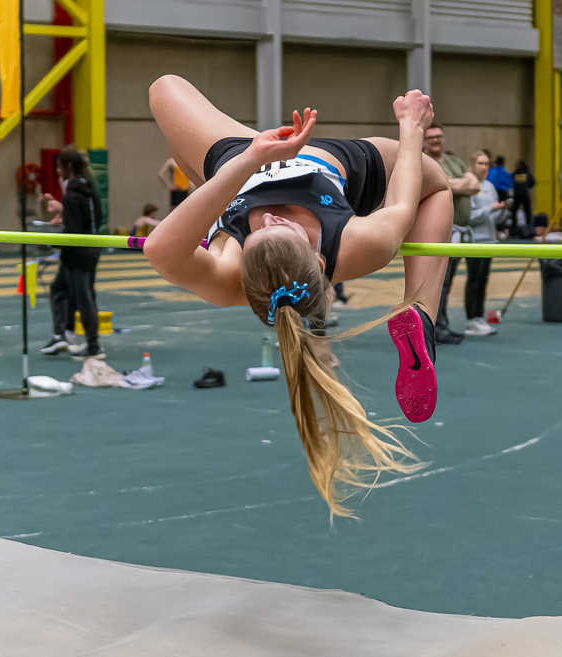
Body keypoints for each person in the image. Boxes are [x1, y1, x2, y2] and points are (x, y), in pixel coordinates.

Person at [142, 75, 452, 518]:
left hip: (251, 162)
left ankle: (418, 307)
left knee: (164, 91)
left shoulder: (231, 275)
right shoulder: (354, 242)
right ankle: (420, 306)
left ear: (242, 266)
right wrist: (411, 126)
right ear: (321, 262)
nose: (270, 217)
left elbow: (156, 247)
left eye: (262, 229)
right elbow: (408, 195)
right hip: (315, 165)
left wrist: (252, 158)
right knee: (437, 184)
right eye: (283, 228)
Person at [41, 148, 105, 360]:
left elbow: (73, 231)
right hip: (92, 249)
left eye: (59, 166)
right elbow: (94, 219)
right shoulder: (90, 190)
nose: (57, 171)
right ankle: (61, 335)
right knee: (59, 290)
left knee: (83, 298)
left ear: (68, 166)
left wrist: (53, 241)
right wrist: (65, 216)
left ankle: (93, 345)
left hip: (77, 255)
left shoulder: (72, 194)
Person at [426, 121, 480, 345]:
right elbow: (453, 185)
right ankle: (435, 329)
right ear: (423, 140)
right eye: (431, 137)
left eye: (438, 136)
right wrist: (459, 184)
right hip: (437, 235)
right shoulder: (423, 162)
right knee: (437, 285)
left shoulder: (453, 161)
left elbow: (475, 183)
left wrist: (452, 183)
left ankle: (442, 326)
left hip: (457, 236)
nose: (436, 140)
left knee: (446, 285)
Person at [462, 150, 509, 336]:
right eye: (480, 163)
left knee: (483, 279)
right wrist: (490, 209)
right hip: (474, 240)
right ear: (473, 165)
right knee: (474, 279)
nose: (484, 167)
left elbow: (494, 218)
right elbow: (469, 217)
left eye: (487, 164)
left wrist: (502, 212)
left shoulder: (490, 187)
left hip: (490, 240)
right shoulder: (469, 186)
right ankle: (471, 320)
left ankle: (479, 316)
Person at [510, 159, 535, 235]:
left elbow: (532, 182)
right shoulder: (517, 173)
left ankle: (529, 227)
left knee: (527, 211)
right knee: (515, 211)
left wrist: (527, 187)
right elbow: (511, 179)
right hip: (519, 194)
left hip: (522, 194)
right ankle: (514, 227)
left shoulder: (525, 173)